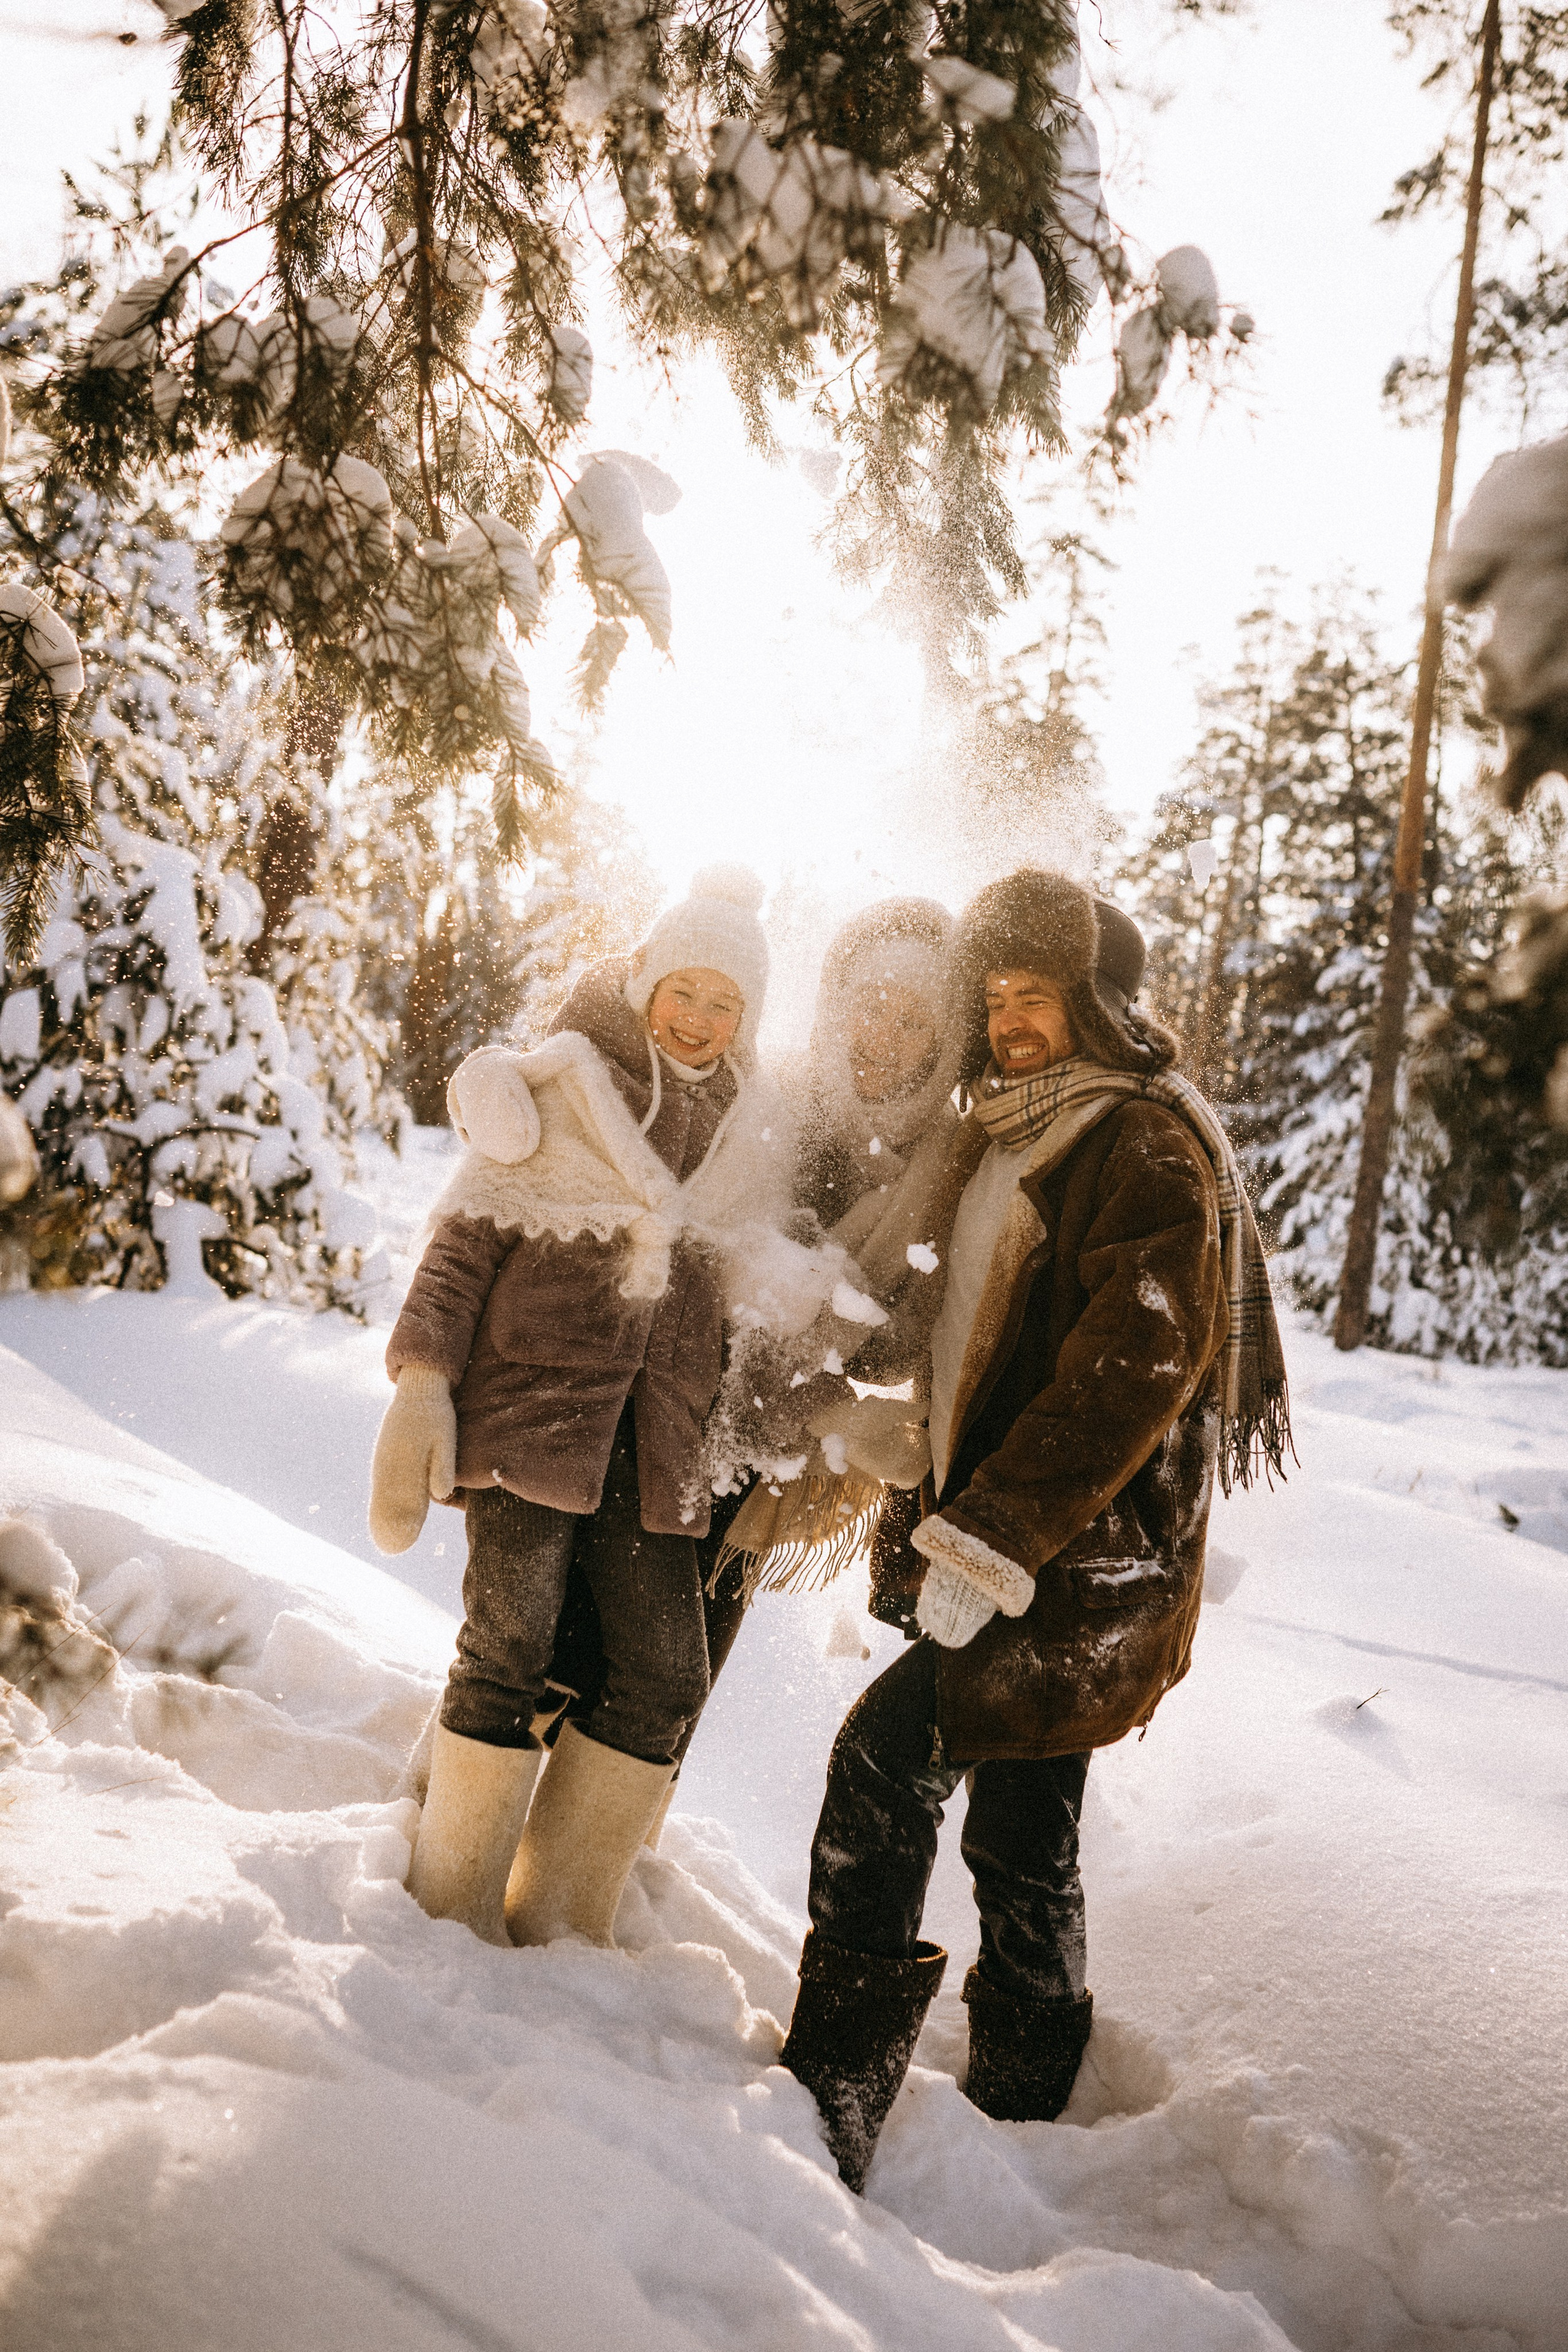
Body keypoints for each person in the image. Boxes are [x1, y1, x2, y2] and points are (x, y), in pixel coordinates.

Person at [778, 868, 1291, 2194]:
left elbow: (1132, 1362)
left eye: (1038, 995)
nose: (1010, 1019)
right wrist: (879, 1403)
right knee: (1020, 1827)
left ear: (1099, 1007)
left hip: (1072, 1569)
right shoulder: (1019, 1131)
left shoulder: (1135, 1145)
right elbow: (984, 1336)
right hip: (1033, 1559)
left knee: (880, 1767)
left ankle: (830, 2092)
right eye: (994, 995)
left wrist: (988, 1535)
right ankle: (1022, 2097)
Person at [452, 897, 967, 1820]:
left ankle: (589, 1873)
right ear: (836, 1000)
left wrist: (832, 1401)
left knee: (673, 1678)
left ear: (944, 1040)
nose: (881, 1034)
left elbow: (906, 1332)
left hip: (757, 1458)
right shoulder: (772, 1093)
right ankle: (452, 1828)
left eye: (912, 1019)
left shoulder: (939, 1167)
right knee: (548, 1647)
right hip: (634, 1406)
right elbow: (628, 1084)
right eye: (870, 1003)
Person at [370, 865, 797, 1948]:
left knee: (666, 1675)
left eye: (725, 1004)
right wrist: (423, 1381)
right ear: (648, 981)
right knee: (508, 1642)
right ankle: (450, 1900)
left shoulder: (747, 1134)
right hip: (529, 1425)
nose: (699, 1020)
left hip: (652, 1447)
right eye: (684, 991)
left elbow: (755, 1292)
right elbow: (463, 1245)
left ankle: (560, 1920)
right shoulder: (560, 1092)